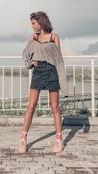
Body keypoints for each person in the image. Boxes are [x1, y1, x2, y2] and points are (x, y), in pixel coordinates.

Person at [18, 11, 69, 154]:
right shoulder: (33, 39)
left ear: (41, 22)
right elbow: (25, 54)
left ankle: (59, 140)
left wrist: (64, 88)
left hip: (52, 71)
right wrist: (30, 64)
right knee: (31, 106)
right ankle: (23, 140)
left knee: (55, 108)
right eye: (32, 24)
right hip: (38, 71)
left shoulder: (54, 37)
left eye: (34, 23)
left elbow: (59, 62)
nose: (33, 26)